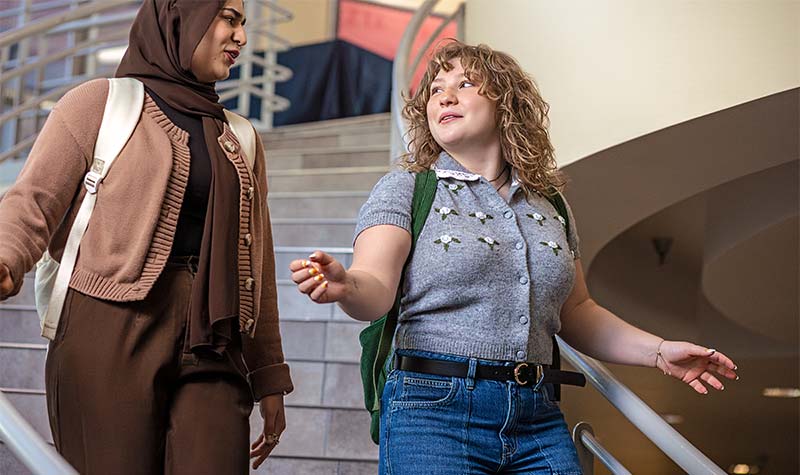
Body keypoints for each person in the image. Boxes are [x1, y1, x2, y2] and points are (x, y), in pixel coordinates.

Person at [288, 41, 739, 474]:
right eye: (435, 90)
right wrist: (346, 286)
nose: (445, 96)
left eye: (465, 84)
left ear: (506, 102)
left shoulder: (550, 204)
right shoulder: (406, 188)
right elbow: (374, 287)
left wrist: (657, 352)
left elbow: (576, 312)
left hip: (536, 413)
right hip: (432, 410)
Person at [0, 0, 292, 473]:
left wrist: (268, 372)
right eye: (229, 19)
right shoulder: (98, 104)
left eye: (244, 23)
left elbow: (257, 260)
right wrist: (6, 259)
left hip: (215, 337)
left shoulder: (241, 137)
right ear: (183, 18)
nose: (241, 37)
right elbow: (31, 202)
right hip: (107, 330)